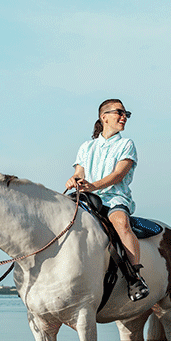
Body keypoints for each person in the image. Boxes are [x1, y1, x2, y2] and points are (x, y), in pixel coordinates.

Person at [65, 98, 149, 301]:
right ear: (104, 117)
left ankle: (134, 277)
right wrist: (73, 180)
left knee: (121, 223)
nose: (123, 117)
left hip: (114, 198)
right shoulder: (86, 147)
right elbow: (79, 173)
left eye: (125, 114)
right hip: (87, 197)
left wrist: (94, 186)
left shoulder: (126, 144)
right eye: (119, 113)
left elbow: (118, 175)